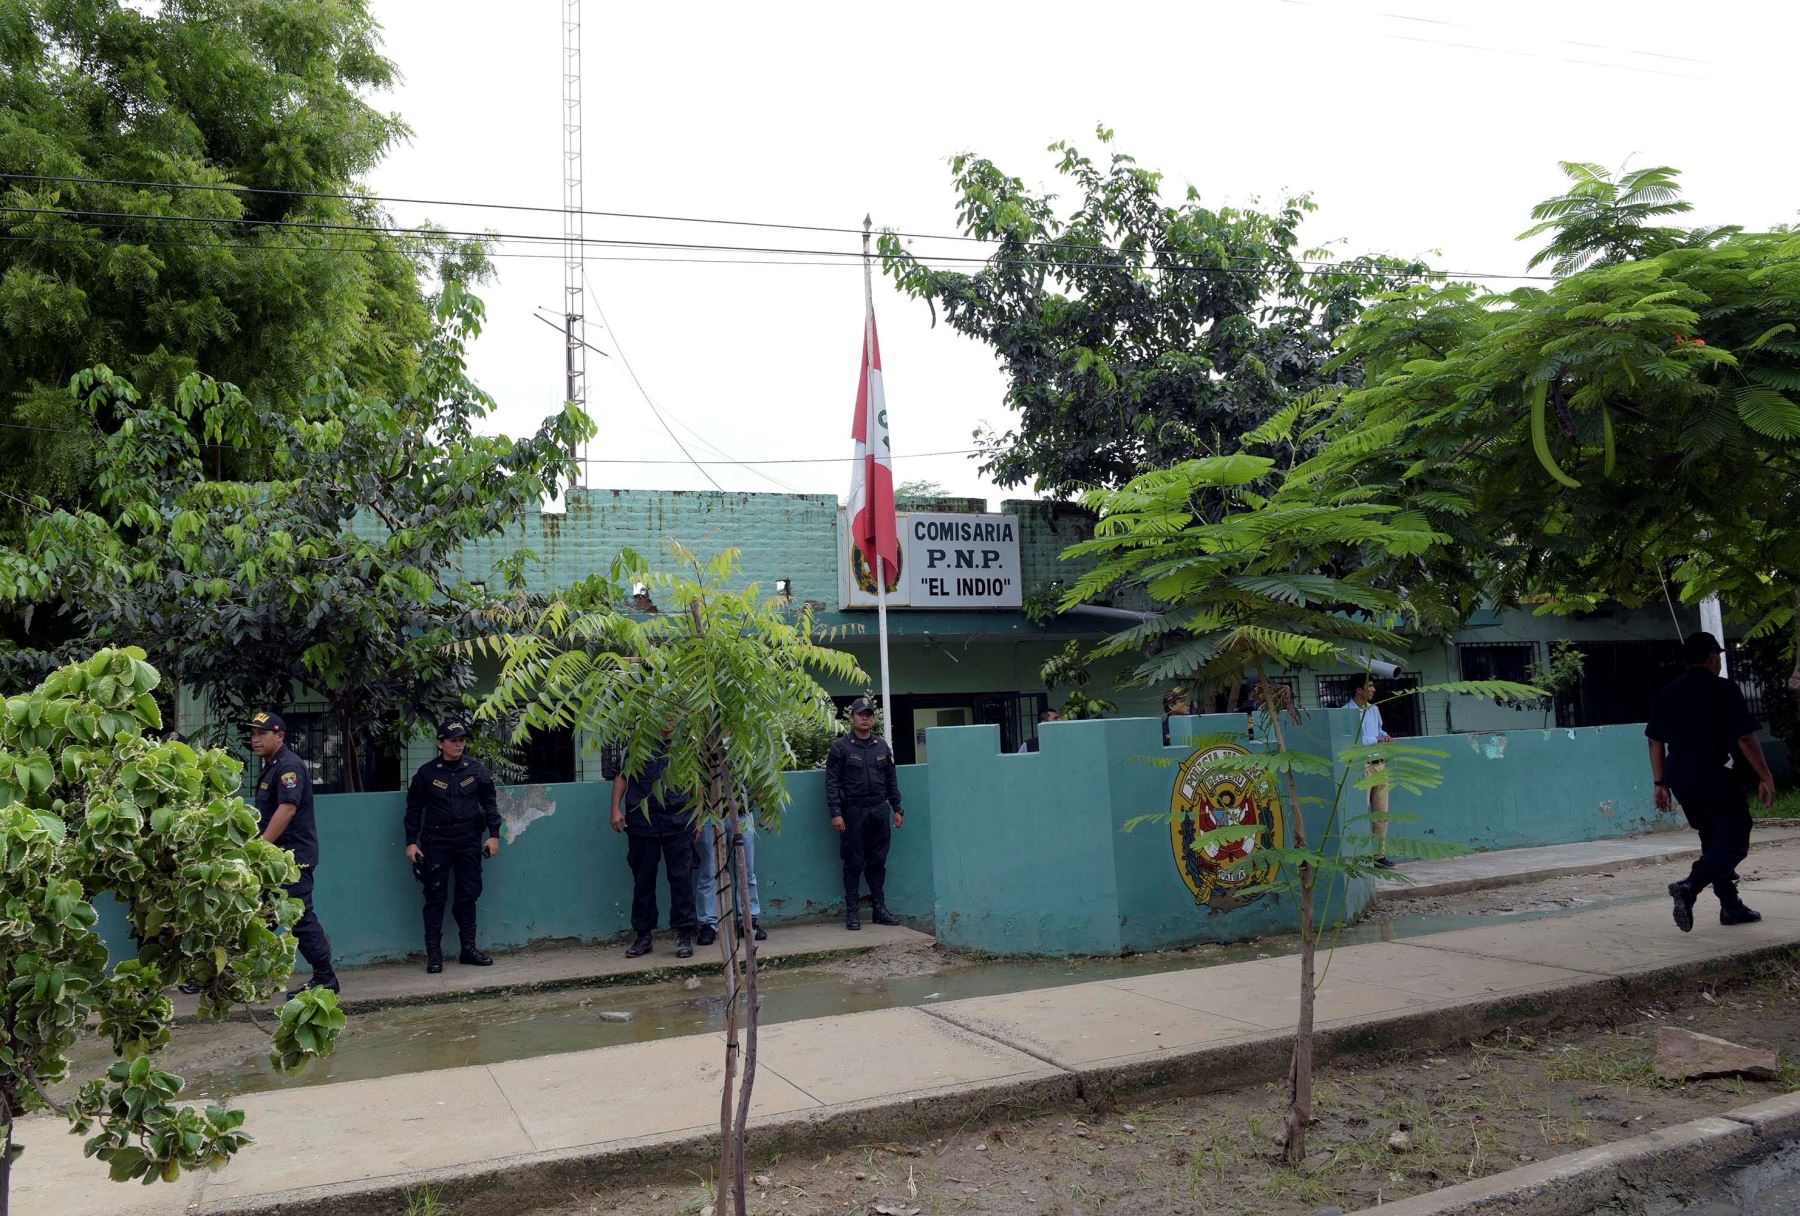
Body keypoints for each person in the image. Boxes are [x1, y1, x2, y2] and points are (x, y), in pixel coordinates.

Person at [1647, 631, 1777, 932]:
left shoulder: (1668, 693)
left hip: (1682, 780)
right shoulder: (1724, 689)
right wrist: (1765, 775)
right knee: (1734, 843)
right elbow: (1745, 738)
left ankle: (1730, 906)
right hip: (1718, 777)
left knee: (1712, 841)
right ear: (1712, 658)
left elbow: (1654, 741)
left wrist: (1659, 783)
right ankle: (1690, 886)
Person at [245, 712, 339, 995]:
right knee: (264, 914)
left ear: (280, 736)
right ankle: (240, 974)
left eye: (262, 734)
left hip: (292, 859)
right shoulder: (272, 766)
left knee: (299, 917)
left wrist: (260, 846)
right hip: (275, 859)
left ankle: (326, 978)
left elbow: (287, 809)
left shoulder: (288, 766)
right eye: (253, 734)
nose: (255, 739)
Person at [404, 719, 502, 973]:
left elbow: (490, 803)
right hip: (436, 841)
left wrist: (494, 835)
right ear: (440, 744)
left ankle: (468, 949)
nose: (459, 745)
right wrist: (411, 842)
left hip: (468, 840)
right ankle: (434, 956)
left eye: (461, 740)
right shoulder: (427, 773)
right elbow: (413, 809)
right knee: (435, 896)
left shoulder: (476, 770)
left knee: (468, 894)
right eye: (453, 740)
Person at [612, 740, 697, 958]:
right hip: (642, 820)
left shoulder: (687, 743)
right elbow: (622, 775)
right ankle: (643, 936)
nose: (669, 722)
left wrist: (700, 816)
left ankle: (683, 934)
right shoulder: (638, 742)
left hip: (678, 819)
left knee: (681, 878)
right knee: (643, 879)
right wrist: (615, 808)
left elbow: (698, 780)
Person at [825, 697, 904, 930]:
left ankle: (879, 909)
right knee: (853, 862)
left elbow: (891, 779)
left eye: (869, 714)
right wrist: (836, 812)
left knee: (877, 861)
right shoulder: (841, 747)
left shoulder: (881, 746)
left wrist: (897, 808)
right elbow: (831, 782)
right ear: (852, 718)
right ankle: (852, 913)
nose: (865, 718)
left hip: (879, 810)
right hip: (853, 812)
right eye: (861, 714)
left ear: (873, 718)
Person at [694, 813, 765, 947]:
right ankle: (708, 924)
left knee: (745, 869)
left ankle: (748, 920)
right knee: (709, 871)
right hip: (709, 813)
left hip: (741, 812)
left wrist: (764, 809)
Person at [1349, 681, 1396, 869]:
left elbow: (1379, 730)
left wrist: (1384, 736)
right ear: (1359, 690)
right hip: (1362, 766)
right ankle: (1359, 856)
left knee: (1381, 813)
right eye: (1369, 686)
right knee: (1360, 812)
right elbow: (1357, 740)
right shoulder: (1346, 712)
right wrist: (1376, 739)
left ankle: (1378, 855)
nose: (1373, 690)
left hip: (1379, 765)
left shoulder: (1374, 709)